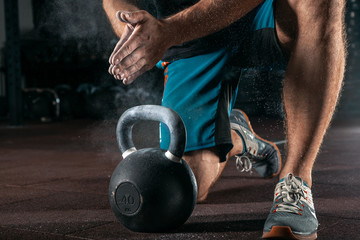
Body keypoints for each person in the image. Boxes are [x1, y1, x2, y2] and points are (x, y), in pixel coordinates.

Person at [103, 0, 346, 239]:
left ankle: (296, 180)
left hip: (256, 14)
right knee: (182, 186)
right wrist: (135, 30)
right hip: (190, 42)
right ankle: (236, 136)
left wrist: (170, 30)